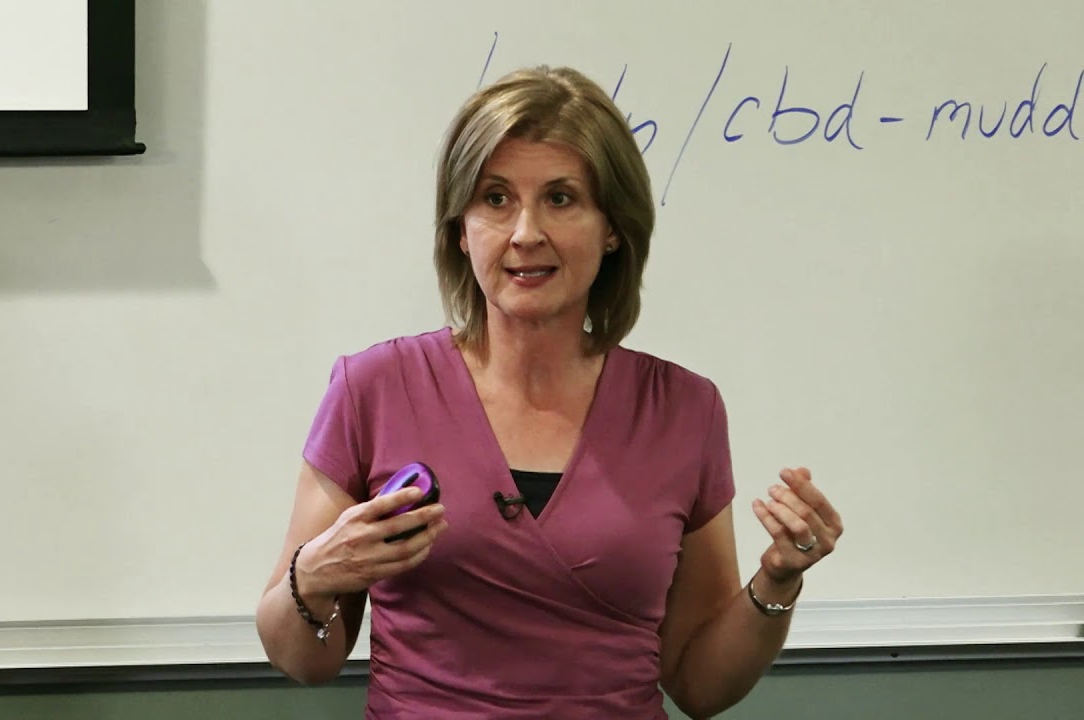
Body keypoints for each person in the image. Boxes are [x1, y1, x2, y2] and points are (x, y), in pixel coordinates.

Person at [255, 64, 844, 719]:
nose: (525, 233)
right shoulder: (373, 389)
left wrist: (777, 580)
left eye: (561, 199)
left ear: (613, 227)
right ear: (460, 229)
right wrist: (314, 575)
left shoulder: (684, 410)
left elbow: (699, 687)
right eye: (495, 199)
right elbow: (302, 659)